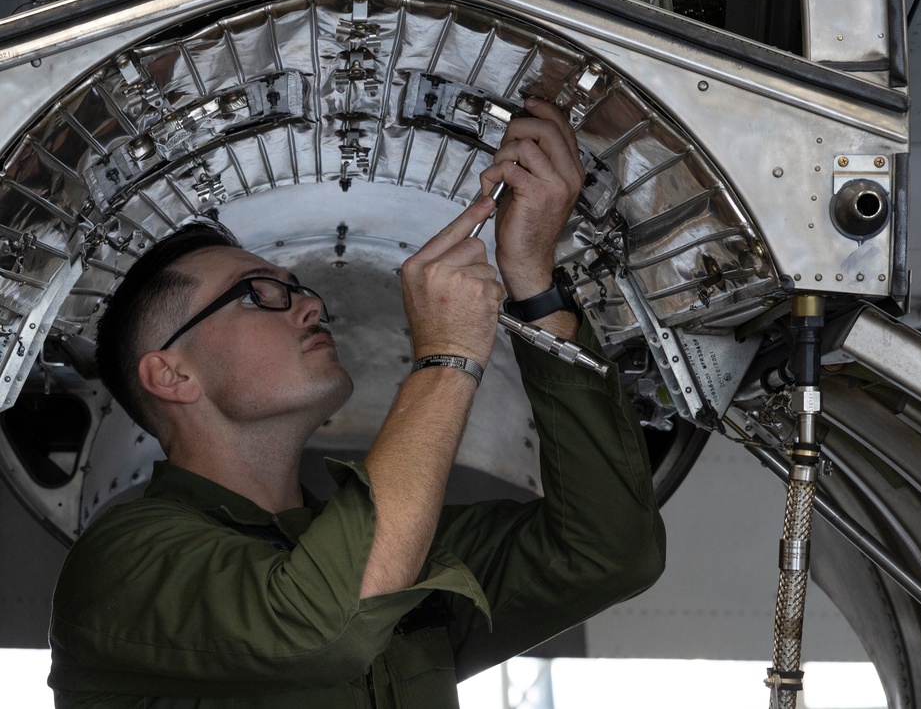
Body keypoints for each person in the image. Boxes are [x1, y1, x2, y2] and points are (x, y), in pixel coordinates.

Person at [48, 99, 666, 707]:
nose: (310, 304)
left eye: (298, 287)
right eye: (258, 294)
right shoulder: (120, 566)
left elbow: (607, 551)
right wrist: (448, 357)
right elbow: (325, 624)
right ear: (171, 374)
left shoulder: (403, 545)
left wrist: (532, 282)